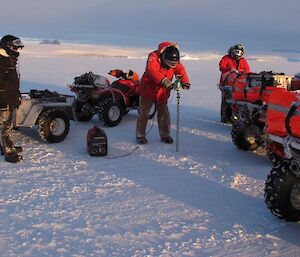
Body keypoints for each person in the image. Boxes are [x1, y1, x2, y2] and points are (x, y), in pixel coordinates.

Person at [136, 41, 190, 144]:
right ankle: (140, 135)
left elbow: (180, 70)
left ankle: (165, 135)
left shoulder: (173, 59)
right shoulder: (153, 57)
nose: (171, 67)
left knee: (164, 113)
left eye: (174, 64)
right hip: (148, 89)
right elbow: (151, 70)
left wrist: (185, 81)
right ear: (163, 57)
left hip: (162, 92)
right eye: (170, 64)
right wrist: (165, 81)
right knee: (144, 113)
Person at [0, 34, 24, 162]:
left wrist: (17, 96)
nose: (17, 51)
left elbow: (12, 82)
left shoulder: (8, 59)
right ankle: (8, 153)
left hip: (10, 98)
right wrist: (3, 102)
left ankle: (6, 146)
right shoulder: (2, 60)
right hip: (4, 100)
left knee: (6, 126)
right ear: (8, 46)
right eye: (15, 48)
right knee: (4, 128)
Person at [218, 44, 250, 123]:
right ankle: (225, 118)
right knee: (226, 101)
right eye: (235, 51)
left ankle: (237, 117)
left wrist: (240, 71)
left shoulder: (243, 60)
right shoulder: (226, 58)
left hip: (240, 85)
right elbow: (221, 67)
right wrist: (230, 69)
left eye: (239, 52)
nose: (236, 54)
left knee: (238, 101)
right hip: (226, 84)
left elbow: (247, 70)